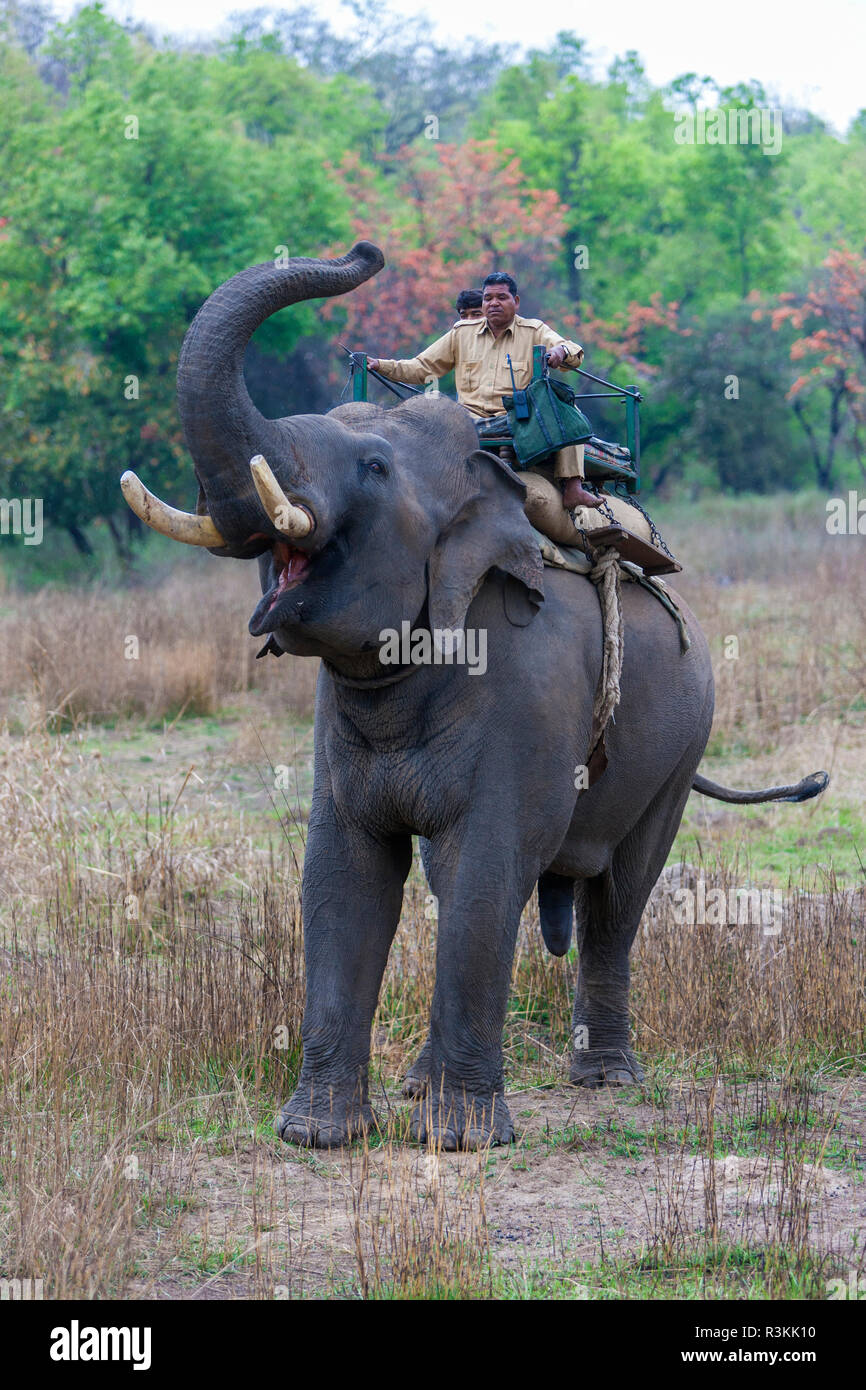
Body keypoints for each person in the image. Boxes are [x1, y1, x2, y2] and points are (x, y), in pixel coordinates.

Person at [368, 271, 600, 509]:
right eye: (488, 298)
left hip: (518, 419)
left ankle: (573, 487)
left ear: (516, 302)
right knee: (421, 418)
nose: (494, 303)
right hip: (467, 419)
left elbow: (571, 349)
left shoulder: (534, 330)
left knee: (567, 408)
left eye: (502, 297)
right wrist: (380, 365)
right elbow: (421, 367)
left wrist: (560, 352)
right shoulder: (462, 333)